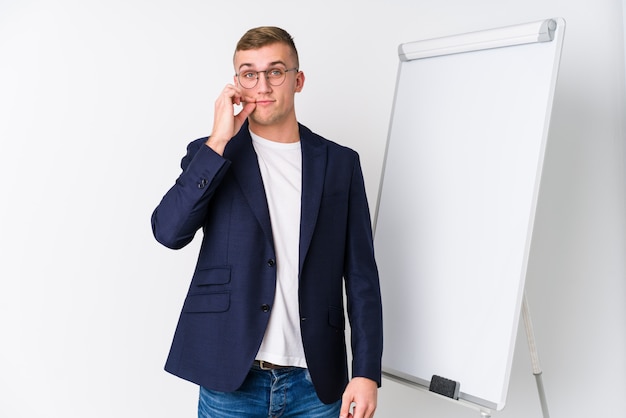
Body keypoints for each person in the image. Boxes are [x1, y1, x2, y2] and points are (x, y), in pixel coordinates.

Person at [151, 26, 383, 418]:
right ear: (237, 82)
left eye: (275, 71)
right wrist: (219, 141)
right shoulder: (211, 154)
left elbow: (361, 275)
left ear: (298, 79)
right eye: (249, 73)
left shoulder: (340, 163)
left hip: (316, 382)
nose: (263, 85)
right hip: (231, 378)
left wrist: (366, 373)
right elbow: (169, 232)